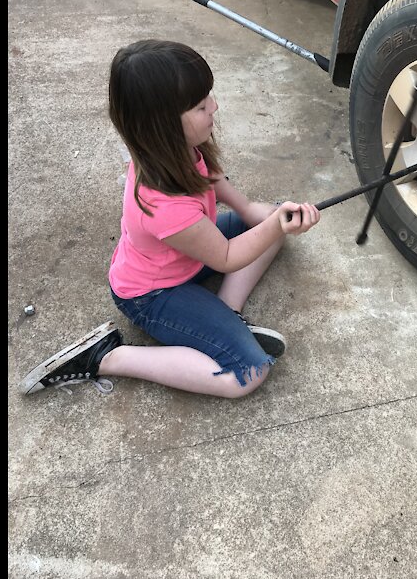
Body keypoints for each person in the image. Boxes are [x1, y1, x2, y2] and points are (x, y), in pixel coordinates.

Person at [19, 39, 321, 399]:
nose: (215, 106)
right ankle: (107, 356)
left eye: (208, 96)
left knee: (269, 221)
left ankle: (225, 312)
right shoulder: (164, 203)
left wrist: (249, 210)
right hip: (152, 295)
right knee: (248, 372)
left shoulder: (170, 148)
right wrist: (273, 225)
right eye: (200, 105)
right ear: (161, 124)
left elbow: (209, 176)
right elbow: (226, 257)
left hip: (186, 258)